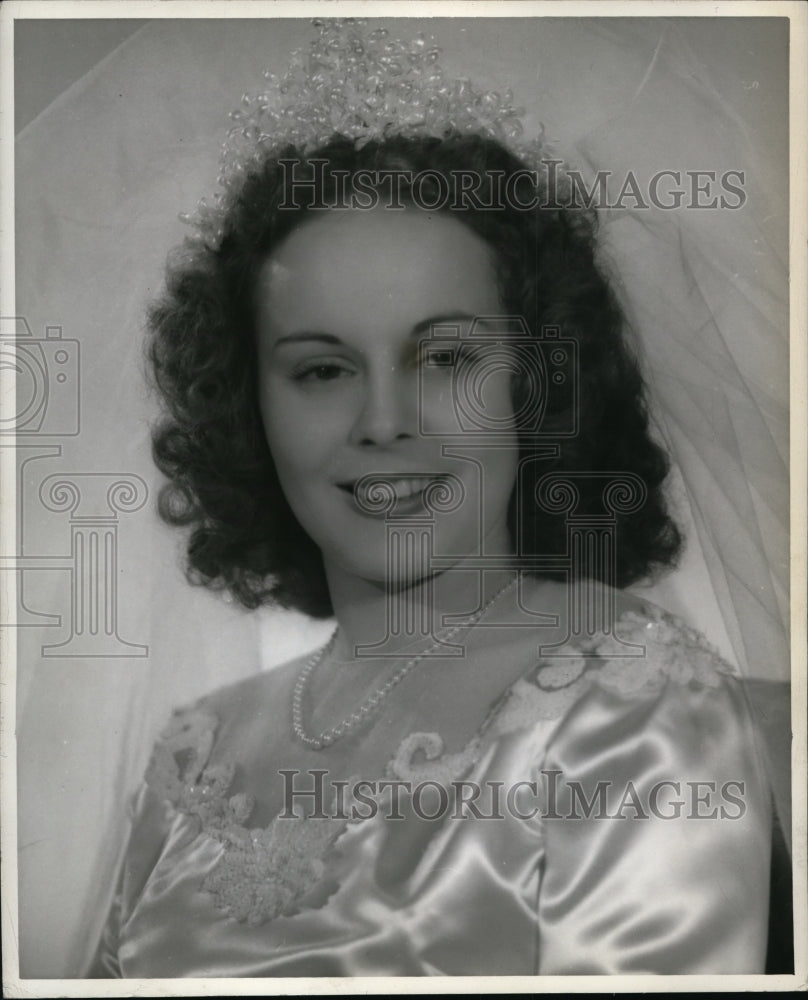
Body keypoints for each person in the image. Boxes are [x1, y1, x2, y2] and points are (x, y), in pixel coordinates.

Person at [87, 18, 774, 977]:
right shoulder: (193, 750)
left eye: (447, 358)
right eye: (322, 370)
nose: (384, 420)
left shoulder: (633, 699)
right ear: (250, 407)